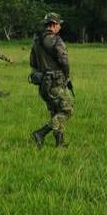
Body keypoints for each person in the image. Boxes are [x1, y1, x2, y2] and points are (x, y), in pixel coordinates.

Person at [29, 13, 73, 148]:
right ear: (54, 25)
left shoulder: (37, 41)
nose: (60, 27)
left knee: (55, 111)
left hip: (43, 82)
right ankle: (40, 133)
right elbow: (63, 61)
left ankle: (59, 143)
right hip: (56, 81)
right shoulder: (56, 40)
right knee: (67, 110)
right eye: (59, 24)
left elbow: (33, 62)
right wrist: (66, 75)